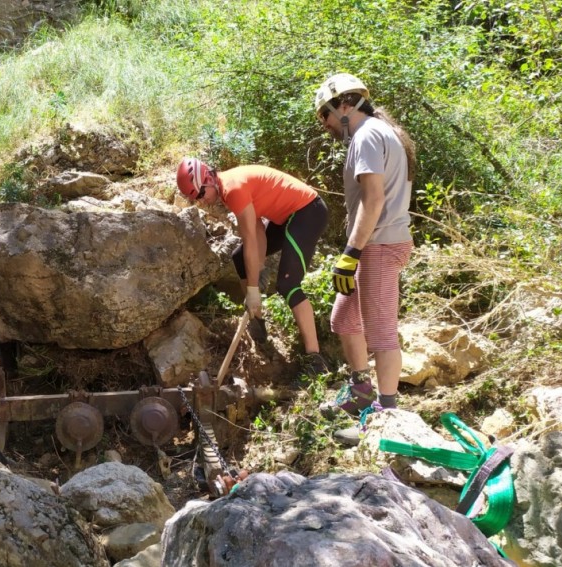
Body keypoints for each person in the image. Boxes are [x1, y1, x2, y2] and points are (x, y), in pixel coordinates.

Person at [313, 73, 417, 444]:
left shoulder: (368, 135)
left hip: (379, 246)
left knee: (381, 334)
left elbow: (374, 200)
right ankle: (361, 393)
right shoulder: (376, 132)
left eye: (323, 115)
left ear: (344, 105)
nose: (324, 124)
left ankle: (386, 421)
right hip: (376, 244)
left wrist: (351, 253)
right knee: (344, 318)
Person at [176, 159, 330, 375]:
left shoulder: (233, 189)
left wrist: (253, 289)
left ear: (209, 179)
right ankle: (256, 320)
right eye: (195, 200)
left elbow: (250, 240)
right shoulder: (228, 187)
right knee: (240, 258)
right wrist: (258, 268)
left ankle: (314, 360)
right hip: (287, 218)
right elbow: (257, 232)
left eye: (200, 195)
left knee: (288, 284)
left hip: (307, 213)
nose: (201, 202)